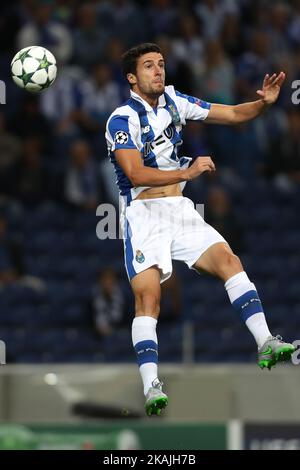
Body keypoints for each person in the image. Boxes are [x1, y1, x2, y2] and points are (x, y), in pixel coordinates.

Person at [105, 43, 295, 417]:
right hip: (144, 216)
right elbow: (134, 173)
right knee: (149, 301)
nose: (158, 71)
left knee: (229, 260)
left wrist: (264, 104)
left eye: (161, 64)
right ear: (132, 77)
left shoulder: (176, 101)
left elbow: (233, 114)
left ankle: (266, 341)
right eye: (148, 66)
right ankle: (151, 386)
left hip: (179, 209)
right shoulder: (121, 118)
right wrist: (186, 172)